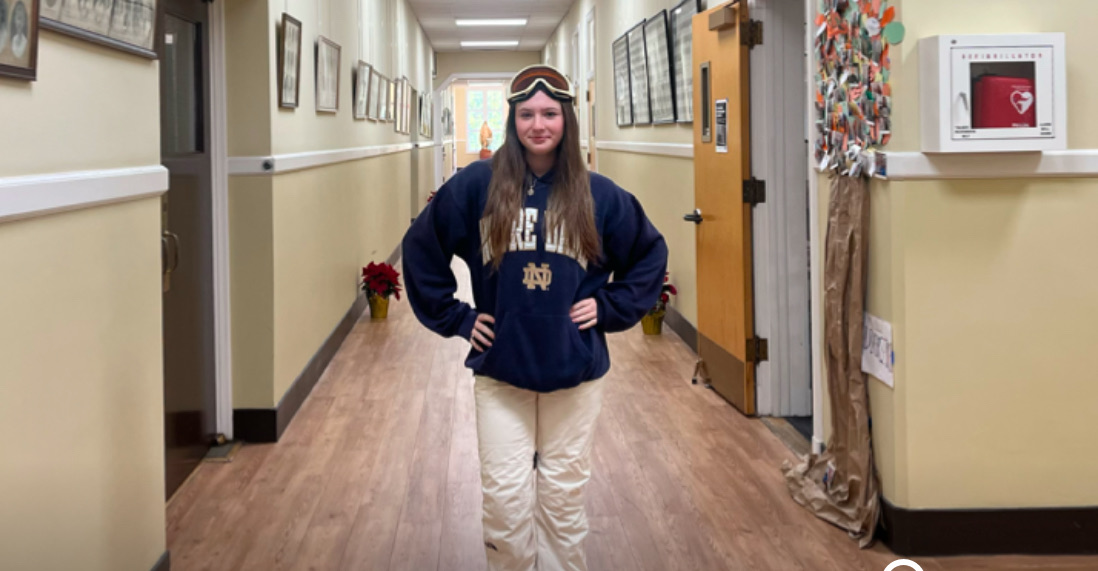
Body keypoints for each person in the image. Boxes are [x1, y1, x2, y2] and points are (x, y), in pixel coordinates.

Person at [402, 64, 668, 571]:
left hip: (575, 370)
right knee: (503, 502)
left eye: (549, 113)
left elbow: (649, 255)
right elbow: (421, 249)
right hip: (502, 371)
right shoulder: (476, 186)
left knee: (564, 500)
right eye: (526, 114)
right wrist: (458, 319)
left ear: (567, 119)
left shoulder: (599, 194)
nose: (538, 124)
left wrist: (609, 307)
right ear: (512, 120)